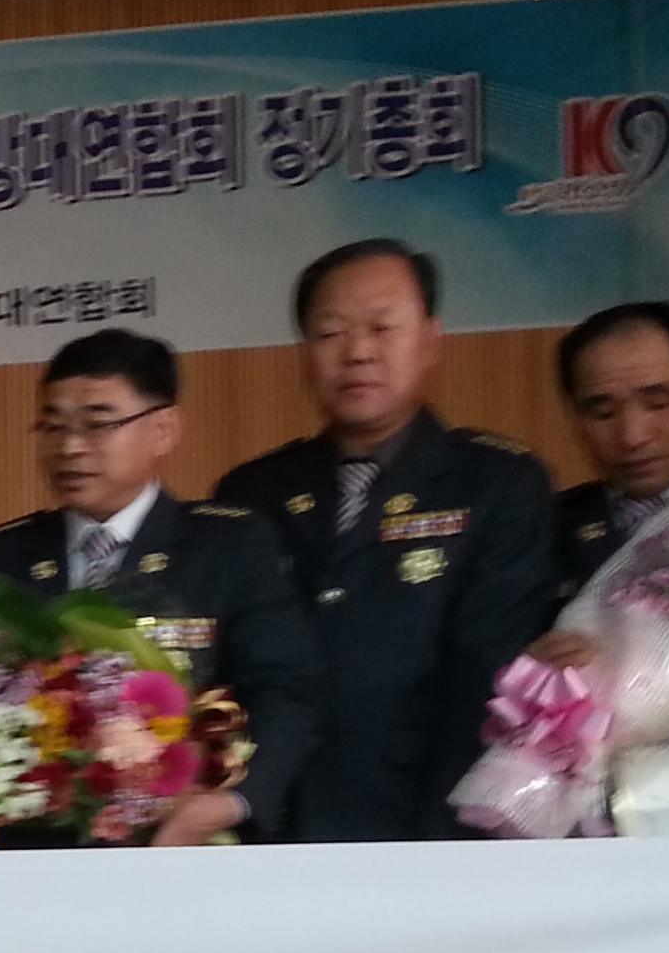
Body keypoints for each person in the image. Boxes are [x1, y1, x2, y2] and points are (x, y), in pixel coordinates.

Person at [213, 239, 558, 839]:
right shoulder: (251, 494)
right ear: (304, 353)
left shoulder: (497, 483)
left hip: (426, 827)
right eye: (331, 333)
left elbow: (486, 679)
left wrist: (442, 844)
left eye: (382, 328)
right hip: (273, 828)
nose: (358, 352)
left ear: (430, 340)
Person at [0, 330, 321, 849]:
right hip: (43, 855)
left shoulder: (230, 545)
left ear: (163, 430)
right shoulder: (2, 557)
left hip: (188, 848)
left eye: (97, 424)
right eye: (53, 426)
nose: (69, 447)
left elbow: (285, 692)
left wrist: (233, 803)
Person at [547, 301, 669, 603]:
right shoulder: (544, 531)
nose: (632, 437)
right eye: (603, 413)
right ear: (573, 414)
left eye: (658, 403)